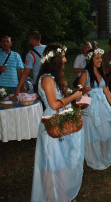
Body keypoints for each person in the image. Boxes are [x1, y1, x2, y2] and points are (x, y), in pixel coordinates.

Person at [31, 44, 84, 201]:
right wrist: (73, 98)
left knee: (60, 164)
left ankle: (59, 195)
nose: (65, 59)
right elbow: (54, 104)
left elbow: (59, 96)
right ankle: (51, 196)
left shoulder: (53, 77)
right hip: (52, 123)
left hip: (60, 120)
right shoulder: (47, 78)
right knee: (52, 165)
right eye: (62, 56)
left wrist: (72, 93)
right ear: (54, 60)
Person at [78, 48, 111, 170]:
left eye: (100, 58)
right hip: (91, 107)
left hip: (103, 106)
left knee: (105, 131)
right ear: (90, 60)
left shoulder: (101, 72)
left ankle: (104, 155)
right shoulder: (85, 74)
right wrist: (84, 90)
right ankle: (94, 157)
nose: (100, 60)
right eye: (97, 58)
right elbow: (78, 92)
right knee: (93, 133)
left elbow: (107, 91)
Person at [14, 31, 46, 96]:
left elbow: (26, 73)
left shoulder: (30, 54)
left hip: (39, 83)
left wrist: (18, 88)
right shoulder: (49, 49)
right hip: (51, 81)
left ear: (31, 40)